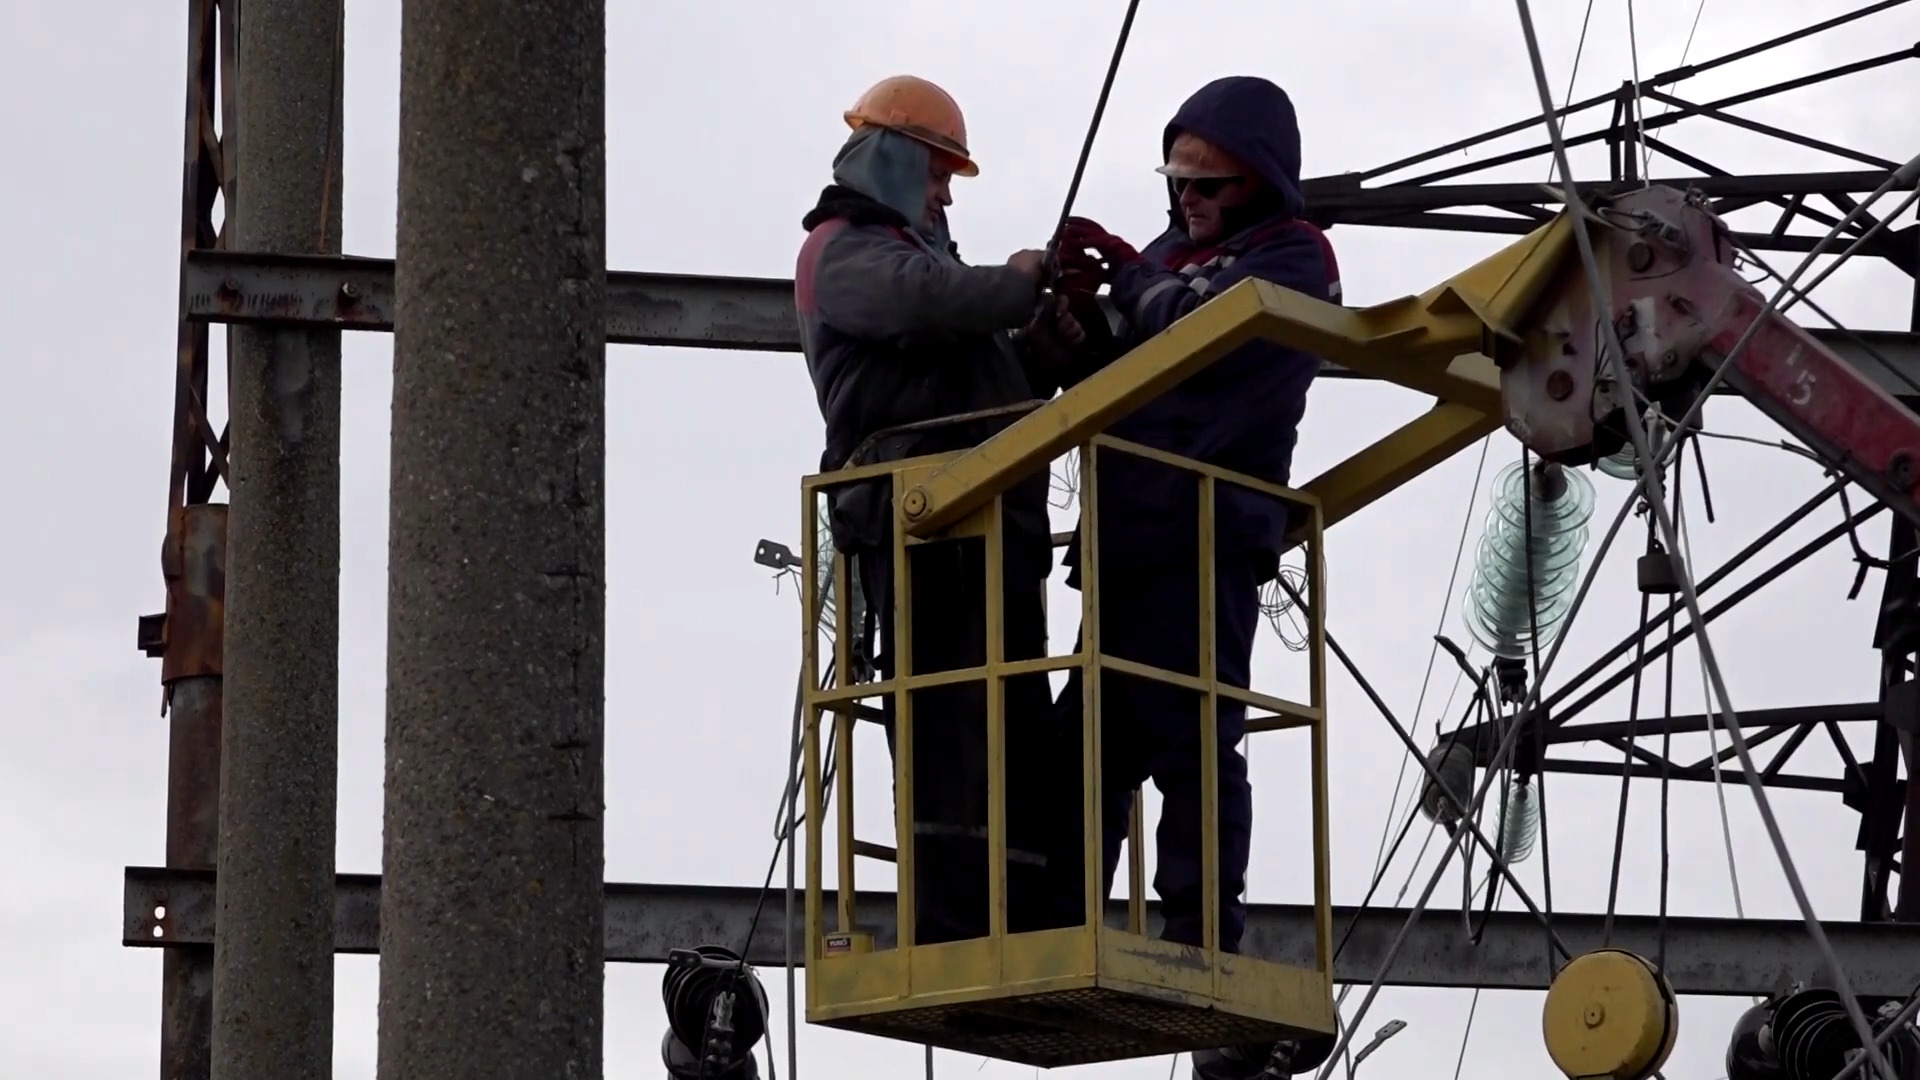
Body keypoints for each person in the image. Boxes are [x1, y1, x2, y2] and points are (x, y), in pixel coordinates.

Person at [1044, 75, 1342, 1078]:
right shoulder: (1171, 257)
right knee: (1091, 738)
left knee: (1191, 735)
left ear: (1257, 181)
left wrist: (1127, 289)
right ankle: (1062, 916)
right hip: (1131, 535)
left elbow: (1194, 327)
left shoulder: (1292, 259)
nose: (1188, 198)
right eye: (1177, 179)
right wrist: (1075, 330)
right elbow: (1127, 357)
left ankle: (1199, 935)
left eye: (1208, 182)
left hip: (1208, 532)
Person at [794, 74, 1086, 945]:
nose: (946, 191)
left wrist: (1034, 357)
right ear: (893, 158)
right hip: (922, 527)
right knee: (951, 727)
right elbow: (932, 304)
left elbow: (967, 379)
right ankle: (953, 923)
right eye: (937, 171)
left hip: (986, 531)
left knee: (1007, 726)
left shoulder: (923, 265)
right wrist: (1020, 282)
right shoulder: (843, 253)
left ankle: (1015, 914)